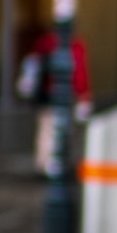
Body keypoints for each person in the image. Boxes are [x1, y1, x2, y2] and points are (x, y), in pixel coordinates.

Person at [16, 29, 92, 175]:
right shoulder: (73, 45)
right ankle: (54, 163)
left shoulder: (46, 43)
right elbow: (80, 72)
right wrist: (84, 95)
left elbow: (32, 64)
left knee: (47, 128)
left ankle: (45, 163)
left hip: (49, 94)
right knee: (57, 128)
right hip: (57, 94)